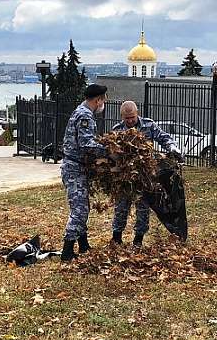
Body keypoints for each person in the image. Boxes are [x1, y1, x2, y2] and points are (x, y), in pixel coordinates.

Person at [111, 101, 183, 246]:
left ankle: (138, 240)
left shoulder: (148, 125)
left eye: (132, 117)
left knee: (143, 208)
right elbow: (112, 151)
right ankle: (116, 238)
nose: (130, 121)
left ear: (137, 113)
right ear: (122, 116)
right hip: (125, 176)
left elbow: (163, 137)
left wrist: (172, 147)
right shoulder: (117, 130)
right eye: (127, 118)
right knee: (121, 207)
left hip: (144, 175)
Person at [60, 84, 108, 261]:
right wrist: (108, 151)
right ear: (98, 100)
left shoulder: (81, 111)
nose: (103, 104)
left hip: (77, 167)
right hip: (75, 168)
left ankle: (83, 244)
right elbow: (87, 144)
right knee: (79, 210)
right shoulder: (85, 115)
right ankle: (67, 250)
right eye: (103, 99)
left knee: (82, 207)